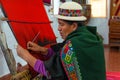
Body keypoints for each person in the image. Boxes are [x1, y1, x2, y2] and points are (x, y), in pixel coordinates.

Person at [16, 1, 106, 80]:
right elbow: (61, 52)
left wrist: (25, 55)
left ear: (74, 26)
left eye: (61, 24)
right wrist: (41, 49)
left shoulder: (72, 46)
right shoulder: (88, 35)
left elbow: (48, 71)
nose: (58, 28)